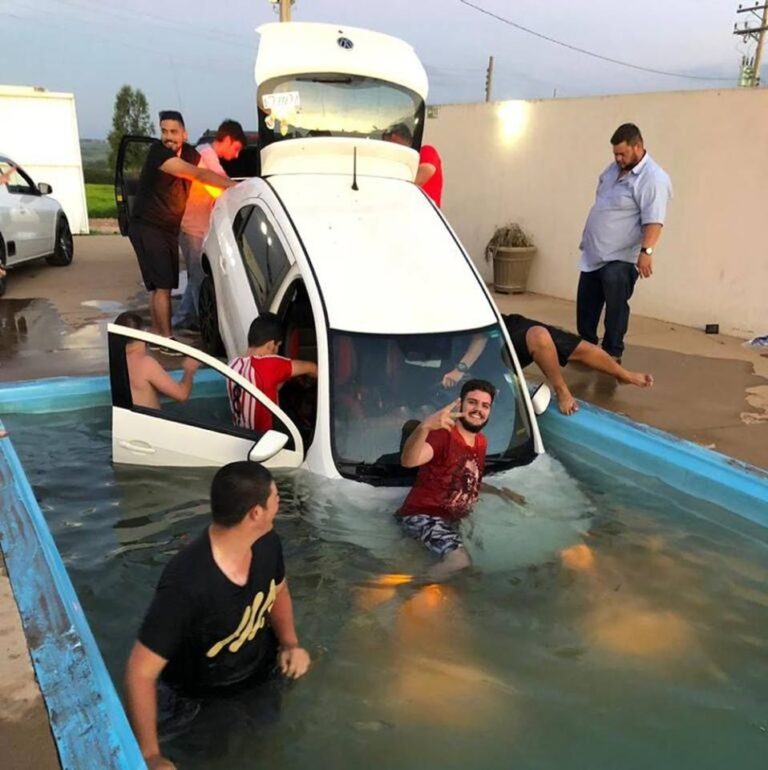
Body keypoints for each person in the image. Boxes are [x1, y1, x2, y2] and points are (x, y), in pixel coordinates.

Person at [124, 461, 310, 770]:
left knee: (263, 742)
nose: (280, 503)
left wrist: (290, 644)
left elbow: (279, 591)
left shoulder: (267, 543)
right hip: (200, 696)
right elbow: (139, 672)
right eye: (275, 496)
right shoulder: (187, 582)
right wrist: (150, 755)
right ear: (255, 513)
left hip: (258, 672)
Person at [128, 110, 237, 341]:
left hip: (167, 228)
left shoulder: (189, 152)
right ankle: (167, 339)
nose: (169, 137)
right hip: (148, 226)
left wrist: (224, 186)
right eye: (164, 131)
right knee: (163, 286)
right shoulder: (160, 155)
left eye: (174, 132)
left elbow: (208, 173)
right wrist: (235, 188)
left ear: (184, 134)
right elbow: (198, 174)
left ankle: (158, 334)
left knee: (158, 286)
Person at [577, 123, 672, 362]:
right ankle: (587, 349)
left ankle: (611, 354)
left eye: (623, 153)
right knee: (586, 308)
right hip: (595, 255)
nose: (618, 158)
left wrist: (647, 251)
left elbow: (654, 219)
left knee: (615, 308)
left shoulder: (653, 178)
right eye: (615, 154)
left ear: (638, 146)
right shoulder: (612, 170)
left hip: (621, 257)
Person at [442, 315, 653, 416]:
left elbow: (483, 328)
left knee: (547, 338)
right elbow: (479, 336)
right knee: (539, 337)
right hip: (483, 351)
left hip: (502, 325)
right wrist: (461, 368)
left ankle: (622, 374)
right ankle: (562, 389)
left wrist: (460, 369)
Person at [396, 379, 495, 578]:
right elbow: (409, 461)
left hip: (451, 519)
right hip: (422, 515)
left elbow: (469, 479)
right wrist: (424, 427)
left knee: (477, 569)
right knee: (460, 562)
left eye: (485, 406)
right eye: (472, 402)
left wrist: (502, 493)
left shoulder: (481, 441)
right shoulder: (442, 435)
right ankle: (404, 592)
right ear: (460, 404)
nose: (478, 410)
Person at [172, 120, 247, 333]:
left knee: (196, 275)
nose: (237, 155)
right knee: (199, 277)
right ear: (227, 139)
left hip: (197, 227)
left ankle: (182, 319)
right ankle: (204, 326)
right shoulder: (206, 154)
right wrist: (245, 190)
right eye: (236, 149)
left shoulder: (205, 154)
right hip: (191, 227)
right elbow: (220, 180)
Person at [227, 312, 318, 433]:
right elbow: (312, 367)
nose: (277, 352)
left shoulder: (233, 365)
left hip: (240, 434)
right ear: (271, 345)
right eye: (278, 347)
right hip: (264, 441)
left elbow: (268, 387)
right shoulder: (269, 365)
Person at [114, 311, 199, 409]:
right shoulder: (146, 364)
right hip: (150, 422)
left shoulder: (117, 363)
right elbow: (182, 395)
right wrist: (189, 371)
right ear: (144, 333)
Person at [382, 123, 444, 207]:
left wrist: (392, 192)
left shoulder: (426, 150)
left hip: (423, 214)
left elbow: (427, 170)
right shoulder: (403, 161)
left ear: (394, 137)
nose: (388, 148)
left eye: (387, 143)